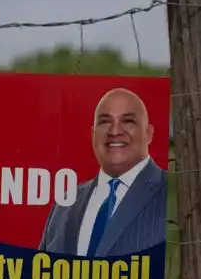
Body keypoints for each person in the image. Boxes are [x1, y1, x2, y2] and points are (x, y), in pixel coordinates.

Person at [39, 87, 167, 258]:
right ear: (93, 134)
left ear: (149, 133)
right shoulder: (65, 204)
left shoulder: (171, 192)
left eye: (128, 121)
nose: (114, 131)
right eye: (105, 121)